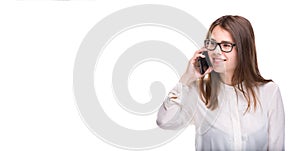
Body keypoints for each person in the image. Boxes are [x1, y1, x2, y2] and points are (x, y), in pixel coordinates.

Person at [156, 15, 285, 151]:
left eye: (225, 45)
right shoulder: (200, 92)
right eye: (212, 44)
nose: (216, 52)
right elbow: (164, 121)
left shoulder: (269, 92)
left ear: (243, 50)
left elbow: (277, 147)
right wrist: (186, 78)